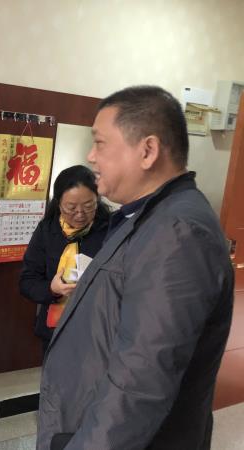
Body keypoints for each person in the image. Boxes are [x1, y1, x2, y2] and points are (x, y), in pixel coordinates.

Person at [37, 86, 234, 450]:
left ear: (147, 151)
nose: (91, 156)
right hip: (86, 420)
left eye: (100, 143)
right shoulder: (148, 217)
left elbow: (141, 381)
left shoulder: (178, 233)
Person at [19, 165, 109, 354]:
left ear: (98, 200)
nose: (80, 214)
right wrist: (52, 289)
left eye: (89, 206)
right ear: (59, 203)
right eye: (71, 207)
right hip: (54, 331)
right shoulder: (46, 231)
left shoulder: (110, 230)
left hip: (98, 332)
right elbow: (27, 282)